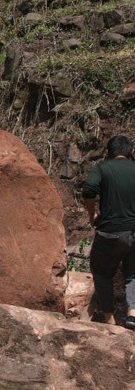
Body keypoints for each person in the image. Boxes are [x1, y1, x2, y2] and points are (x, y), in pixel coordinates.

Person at [81, 135, 135, 330]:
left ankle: (109, 319)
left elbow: (88, 190)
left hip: (110, 232)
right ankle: (133, 314)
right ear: (132, 152)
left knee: (102, 272)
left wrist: (92, 214)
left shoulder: (102, 168)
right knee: (133, 273)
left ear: (108, 153)